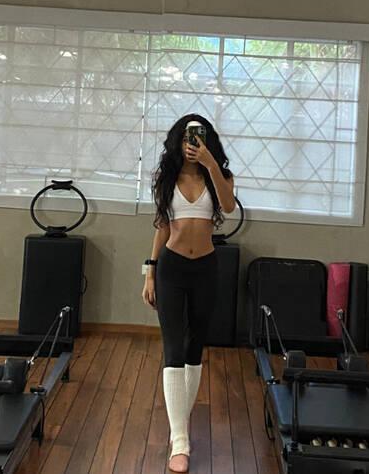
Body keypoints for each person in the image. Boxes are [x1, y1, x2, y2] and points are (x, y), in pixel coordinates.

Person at [142, 114, 237, 473]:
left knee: (195, 347)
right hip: (172, 268)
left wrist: (210, 164)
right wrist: (150, 273)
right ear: (177, 141)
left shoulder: (220, 176)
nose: (191, 144)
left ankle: (179, 423)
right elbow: (162, 227)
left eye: (198, 137)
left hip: (206, 268)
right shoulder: (166, 178)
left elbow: (228, 206)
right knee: (173, 349)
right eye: (186, 137)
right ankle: (180, 441)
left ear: (207, 141)